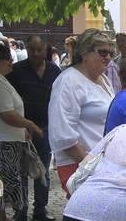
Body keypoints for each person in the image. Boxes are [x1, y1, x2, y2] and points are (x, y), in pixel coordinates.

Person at [48, 29, 115, 194]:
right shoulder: (68, 82)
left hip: (103, 164)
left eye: (111, 53)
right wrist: (90, 165)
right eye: (103, 52)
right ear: (85, 53)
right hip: (79, 165)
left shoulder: (103, 79)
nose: (108, 57)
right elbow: (63, 134)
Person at [0, 43, 44, 221]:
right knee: (2, 185)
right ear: (1, 61)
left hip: (7, 140)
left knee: (5, 185)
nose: (12, 62)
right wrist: (30, 125)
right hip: (1, 142)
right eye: (9, 59)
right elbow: (7, 114)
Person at [7, 35, 61, 221]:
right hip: (23, 129)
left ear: (46, 49)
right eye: (32, 50)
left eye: (39, 50)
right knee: (21, 171)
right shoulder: (17, 71)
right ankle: (20, 210)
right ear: (27, 49)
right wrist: (20, 126)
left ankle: (40, 208)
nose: (36, 54)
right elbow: (9, 102)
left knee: (43, 170)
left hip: (45, 129)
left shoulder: (55, 71)